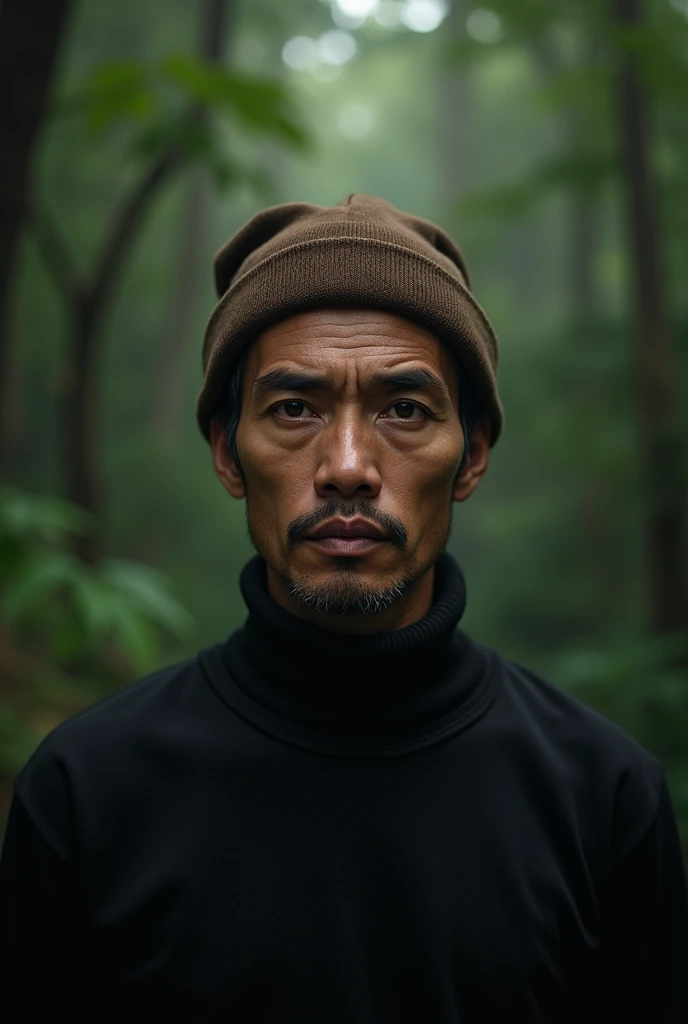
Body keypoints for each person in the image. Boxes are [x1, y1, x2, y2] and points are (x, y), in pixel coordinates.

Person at [1, 194, 686, 1022]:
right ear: (227, 451)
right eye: (294, 408)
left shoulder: (600, 797)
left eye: (404, 408)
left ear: (470, 455)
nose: (350, 466)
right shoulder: (89, 792)